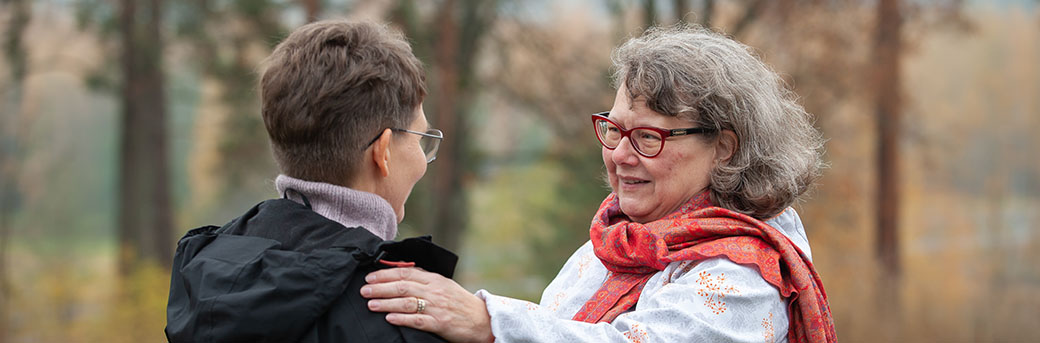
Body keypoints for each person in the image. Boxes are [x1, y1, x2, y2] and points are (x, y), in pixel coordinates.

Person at [360, 25, 837, 342]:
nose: (620, 154)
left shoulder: (749, 274)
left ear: (725, 148)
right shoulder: (618, 239)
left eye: (649, 137)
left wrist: (489, 322)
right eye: (614, 128)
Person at [165, 20, 456, 342]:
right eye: (420, 139)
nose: (423, 159)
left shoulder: (203, 277)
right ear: (382, 152)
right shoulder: (398, 313)